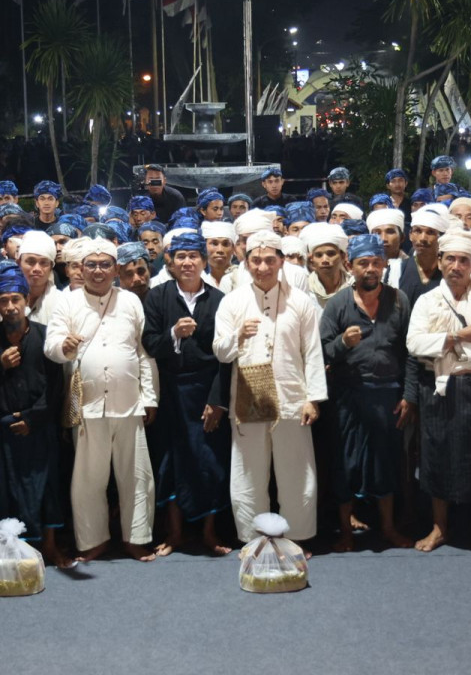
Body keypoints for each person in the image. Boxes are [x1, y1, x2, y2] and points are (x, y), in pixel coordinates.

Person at [45, 237, 157, 562]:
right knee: (88, 480)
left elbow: (143, 352)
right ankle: (93, 540)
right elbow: (51, 345)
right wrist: (63, 347)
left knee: (136, 475)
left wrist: (150, 397)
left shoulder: (131, 302)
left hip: (129, 402)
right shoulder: (66, 303)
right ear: (80, 268)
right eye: (90, 265)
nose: (98, 271)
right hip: (87, 405)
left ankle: (137, 538)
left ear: (116, 269)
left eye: (105, 264)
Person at [214, 230, 326, 545]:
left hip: (292, 398)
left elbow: (313, 352)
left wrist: (313, 399)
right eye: (256, 260)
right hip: (248, 399)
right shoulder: (232, 302)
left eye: (269, 260)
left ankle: (297, 539)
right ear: (246, 262)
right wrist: (238, 335)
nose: (262, 267)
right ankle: (254, 541)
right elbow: (221, 352)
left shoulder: (301, 302)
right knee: (248, 475)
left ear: (280, 262)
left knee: (296, 473)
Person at [407, 230, 471, 554]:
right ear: (440, 261)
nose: (456, 266)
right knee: (435, 456)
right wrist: (457, 336)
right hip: (437, 387)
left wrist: (445, 345)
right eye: (450, 258)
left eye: (464, 260)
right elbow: (415, 344)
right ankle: (439, 528)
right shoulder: (427, 300)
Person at [321, 233, 417, 551]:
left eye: (376, 263)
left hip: (388, 395)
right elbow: (319, 353)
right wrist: (342, 344)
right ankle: (347, 533)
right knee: (345, 463)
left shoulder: (399, 300)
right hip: (347, 396)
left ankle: (388, 528)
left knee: (387, 462)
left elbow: (412, 353)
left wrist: (409, 395)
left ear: (385, 265)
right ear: (350, 266)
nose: (370, 269)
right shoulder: (337, 304)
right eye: (363, 263)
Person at [141, 232, 232, 555]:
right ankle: (175, 533)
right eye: (180, 257)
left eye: (194, 256)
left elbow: (226, 356)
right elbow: (150, 343)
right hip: (170, 392)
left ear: (204, 262)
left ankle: (209, 532)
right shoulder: (157, 296)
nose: (187, 262)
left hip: (206, 391)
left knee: (209, 461)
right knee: (171, 462)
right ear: (170, 261)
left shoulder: (220, 299)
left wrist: (217, 400)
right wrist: (173, 335)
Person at [0, 267, 69, 567]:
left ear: (27, 300)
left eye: (16, 299)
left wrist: (33, 418)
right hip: (4, 427)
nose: (11, 306)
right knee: (6, 491)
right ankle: (12, 550)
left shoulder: (44, 335)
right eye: (4, 300)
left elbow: (56, 386)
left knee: (48, 487)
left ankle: (50, 547)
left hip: (39, 425)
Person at [301, 223, 352, 307]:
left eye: (331, 254)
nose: (325, 260)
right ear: (312, 260)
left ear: (342, 256)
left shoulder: (354, 286)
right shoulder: (304, 289)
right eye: (319, 255)